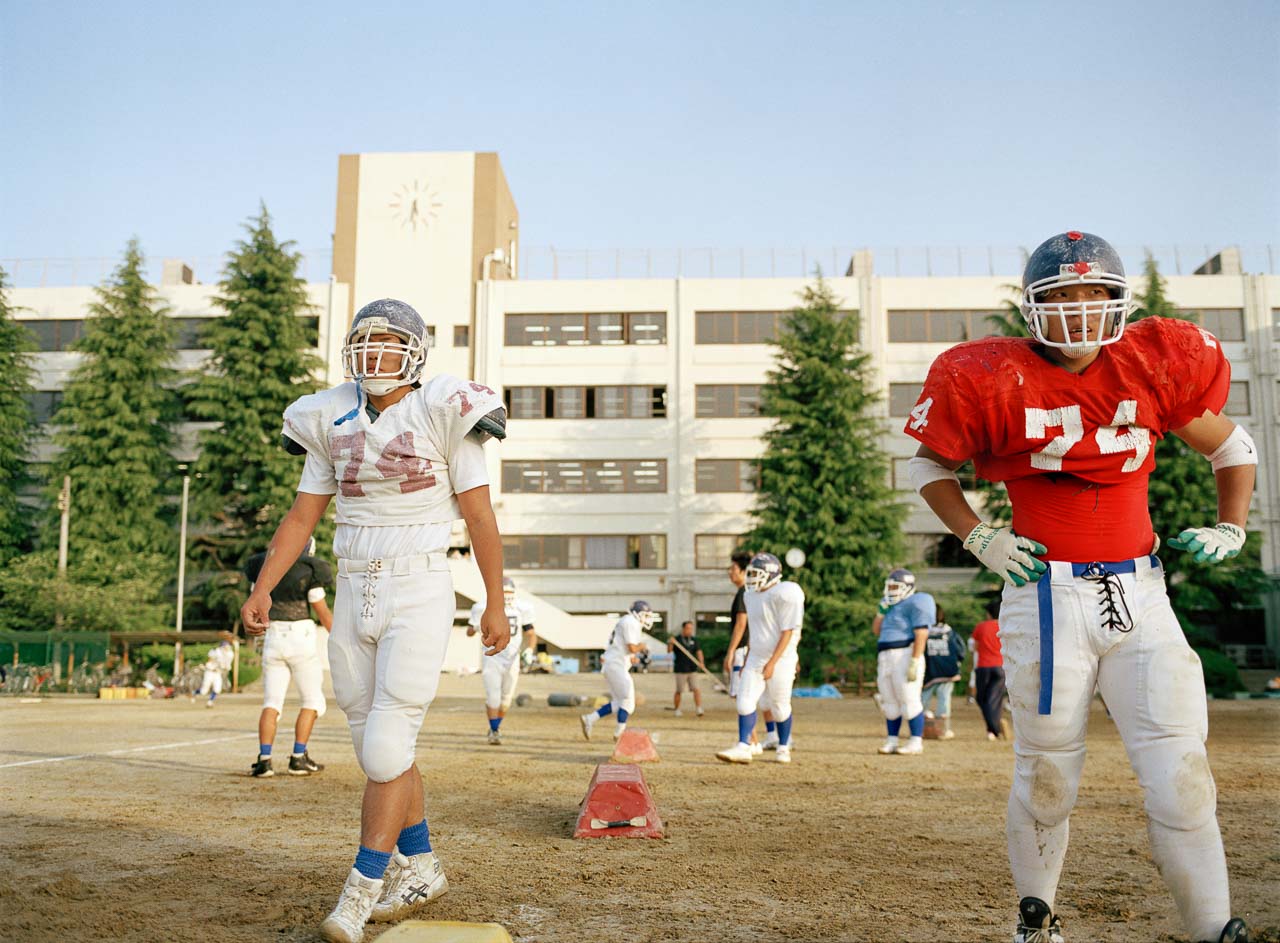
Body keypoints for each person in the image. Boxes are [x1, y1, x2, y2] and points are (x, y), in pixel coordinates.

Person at [904, 232, 1253, 943]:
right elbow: (928, 467)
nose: (1079, 311)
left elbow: (1231, 445)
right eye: (1062, 296)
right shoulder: (988, 373)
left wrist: (1233, 525)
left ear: (1117, 302)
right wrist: (980, 536)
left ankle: (1214, 926)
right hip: (1045, 594)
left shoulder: (1150, 365)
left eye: (1094, 295)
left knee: (1181, 767)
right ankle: (1037, 918)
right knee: (1048, 771)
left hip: (1141, 591)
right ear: (1032, 307)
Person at [240, 298, 510, 943]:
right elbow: (302, 516)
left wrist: (494, 599)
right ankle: (421, 864)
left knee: (388, 747)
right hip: (354, 582)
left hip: (418, 585)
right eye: (363, 342)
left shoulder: (442, 407)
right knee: (376, 748)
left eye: (386, 342)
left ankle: (360, 890)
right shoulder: (329, 415)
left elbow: (478, 517)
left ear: (414, 351)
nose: (372, 355)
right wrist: (262, 586)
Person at [243, 537, 334, 777]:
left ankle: (264, 760)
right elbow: (321, 610)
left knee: (272, 702)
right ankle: (298, 757)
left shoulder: (266, 570)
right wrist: (341, 639)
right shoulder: (308, 570)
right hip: (300, 637)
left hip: (273, 636)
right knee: (312, 701)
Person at [715, 552, 803, 765]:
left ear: (771, 574)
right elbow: (755, 632)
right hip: (755, 655)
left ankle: (783, 747)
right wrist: (747, 660)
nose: (751, 577)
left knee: (779, 706)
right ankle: (744, 746)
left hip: (781, 657)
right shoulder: (749, 595)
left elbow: (788, 632)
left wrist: (772, 662)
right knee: (745, 701)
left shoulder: (785, 593)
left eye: (755, 573)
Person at [871, 568, 934, 755]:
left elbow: (921, 632)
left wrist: (915, 660)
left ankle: (916, 741)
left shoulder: (918, 601)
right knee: (889, 701)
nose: (891, 590)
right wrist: (881, 613)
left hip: (905, 653)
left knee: (909, 698)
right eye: (889, 586)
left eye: (895, 586)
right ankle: (892, 740)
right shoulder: (890, 605)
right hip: (885, 655)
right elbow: (876, 631)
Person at [468, 576, 535, 744]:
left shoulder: (522, 607)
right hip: (492, 658)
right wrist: (477, 627)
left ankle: (495, 726)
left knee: (506, 699)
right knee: (494, 698)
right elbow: (469, 631)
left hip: (512, 659)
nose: (507, 597)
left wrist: (529, 650)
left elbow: (531, 633)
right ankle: (494, 730)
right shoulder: (482, 607)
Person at [723, 552, 773, 752]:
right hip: (751, 649)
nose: (730, 572)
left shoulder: (744, 592)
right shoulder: (750, 592)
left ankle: (751, 741)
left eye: (733, 569)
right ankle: (756, 739)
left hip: (744, 650)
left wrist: (731, 651)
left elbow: (741, 624)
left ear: (744, 572)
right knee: (752, 696)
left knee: (744, 695)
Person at [580, 601, 653, 741]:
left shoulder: (628, 622)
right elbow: (632, 647)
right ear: (637, 613)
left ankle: (590, 719)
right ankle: (619, 733)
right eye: (645, 615)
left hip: (613, 663)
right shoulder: (631, 621)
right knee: (628, 702)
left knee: (620, 702)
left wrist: (632, 658)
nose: (646, 619)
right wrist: (642, 647)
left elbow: (626, 649)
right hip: (615, 664)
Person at [920, 606, 965, 740]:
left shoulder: (925, 632)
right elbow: (960, 650)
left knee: (922, 700)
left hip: (930, 672)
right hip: (948, 671)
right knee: (944, 700)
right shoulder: (950, 632)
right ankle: (944, 730)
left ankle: (923, 728)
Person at [970, 601, 1007, 741]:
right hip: (1001, 667)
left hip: (984, 666)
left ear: (988, 613)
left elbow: (973, 647)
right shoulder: (1004, 626)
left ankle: (994, 729)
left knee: (981, 698)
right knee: (996, 699)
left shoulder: (981, 627)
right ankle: (993, 728)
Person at [668, 620, 705, 717]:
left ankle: (698, 708)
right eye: (688, 628)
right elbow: (669, 651)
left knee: (696, 689)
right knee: (679, 690)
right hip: (680, 669)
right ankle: (677, 709)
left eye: (691, 628)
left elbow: (699, 651)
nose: (690, 630)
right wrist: (670, 643)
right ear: (683, 628)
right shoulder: (677, 640)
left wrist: (701, 662)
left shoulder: (694, 640)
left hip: (692, 668)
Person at [197, 637, 235, 708]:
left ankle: (210, 701)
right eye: (225, 647)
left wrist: (226, 667)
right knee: (204, 691)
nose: (227, 648)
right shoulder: (216, 652)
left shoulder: (230, 654)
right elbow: (209, 661)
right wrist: (208, 665)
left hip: (218, 673)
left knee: (217, 689)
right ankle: (194, 693)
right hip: (210, 672)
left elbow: (228, 664)